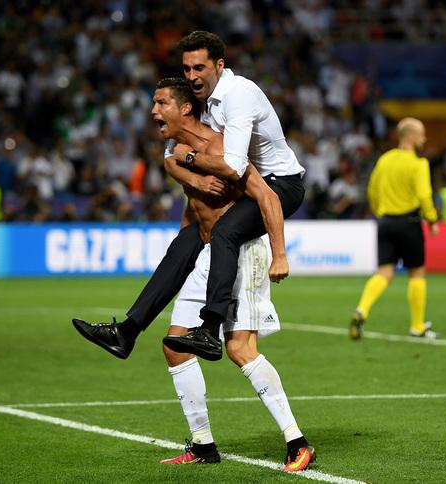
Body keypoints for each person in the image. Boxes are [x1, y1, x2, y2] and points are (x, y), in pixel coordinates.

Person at [72, 31, 305, 362]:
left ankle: (209, 331)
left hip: (280, 184)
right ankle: (127, 331)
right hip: (249, 184)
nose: (192, 76)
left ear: (219, 65)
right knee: (185, 241)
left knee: (225, 230)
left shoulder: (238, 96)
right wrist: (178, 167)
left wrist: (280, 255)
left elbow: (233, 165)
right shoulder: (205, 104)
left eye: (199, 68)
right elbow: (174, 152)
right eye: (187, 69)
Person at [149, 78, 317, 471]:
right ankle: (203, 445)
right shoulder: (177, 151)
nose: (154, 112)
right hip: (210, 253)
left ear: (183, 108)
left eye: (160, 104)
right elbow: (194, 211)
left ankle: (297, 442)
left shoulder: (222, 145)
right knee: (175, 346)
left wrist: (280, 254)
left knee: (240, 348)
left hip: (242, 251)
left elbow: (267, 195)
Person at [350, 117, 440, 340]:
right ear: (409, 136)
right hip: (409, 222)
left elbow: (372, 190)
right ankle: (417, 326)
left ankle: (362, 309)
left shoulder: (385, 160)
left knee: (384, 272)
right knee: (417, 272)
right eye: (421, 133)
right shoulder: (419, 163)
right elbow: (424, 195)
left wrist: (379, 211)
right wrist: (432, 220)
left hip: (386, 221)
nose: (424, 138)